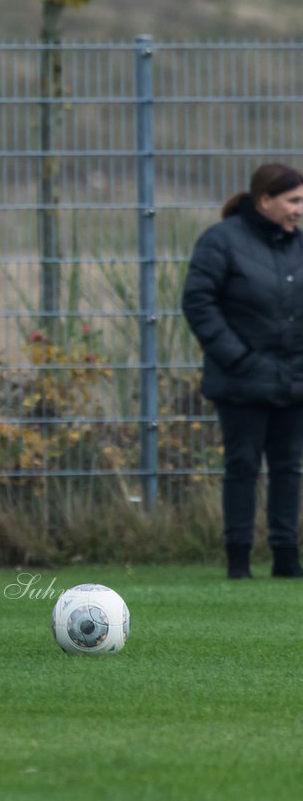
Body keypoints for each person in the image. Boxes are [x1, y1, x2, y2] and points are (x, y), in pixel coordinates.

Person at [181, 162, 303, 580]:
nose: (300, 210)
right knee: (243, 466)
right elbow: (198, 303)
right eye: (293, 200)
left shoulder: (298, 245)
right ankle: (239, 561)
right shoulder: (221, 241)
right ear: (265, 199)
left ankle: (287, 558)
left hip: (294, 378)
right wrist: (239, 358)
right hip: (240, 380)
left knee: (289, 467)